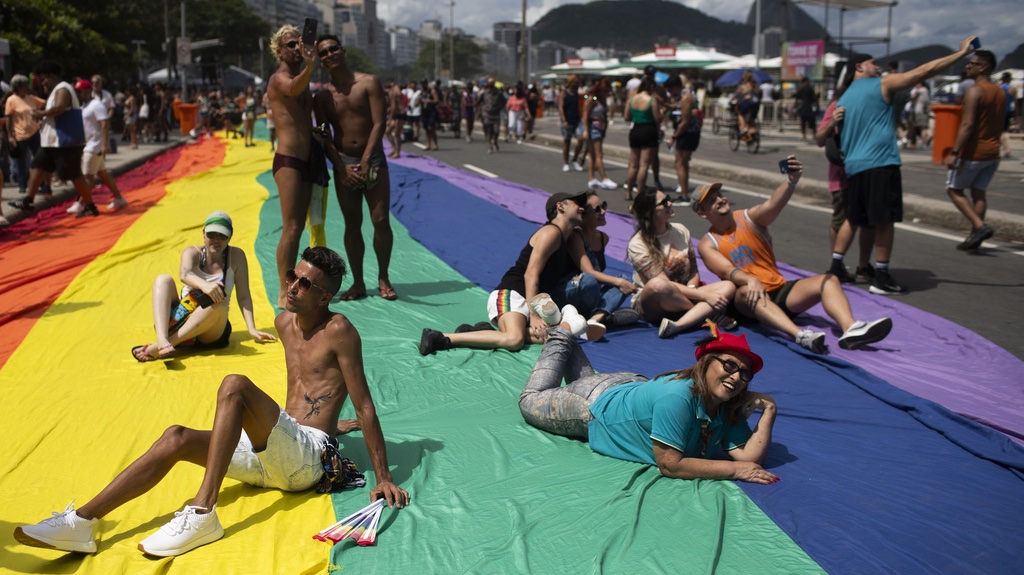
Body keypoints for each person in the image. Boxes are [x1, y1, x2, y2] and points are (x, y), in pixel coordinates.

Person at [16, 246, 409, 557]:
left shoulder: (339, 329)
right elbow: (307, 388)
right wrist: (324, 418)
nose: (292, 287)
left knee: (235, 385)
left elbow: (365, 407)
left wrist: (383, 476)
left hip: (306, 463)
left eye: (305, 285)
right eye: (293, 277)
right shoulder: (283, 322)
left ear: (325, 297)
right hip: (274, 454)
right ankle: (81, 523)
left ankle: (204, 512)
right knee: (176, 437)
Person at [519, 320, 781, 484]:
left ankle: (567, 326)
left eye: (744, 374)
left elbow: (750, 457)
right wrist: (733, 471)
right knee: (529, 402)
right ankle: (562, 332)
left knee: (584, 382)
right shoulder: (678, 397)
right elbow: (670, 464)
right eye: (729, 365)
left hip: (625, 387)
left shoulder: (725, 402)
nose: (736, 377)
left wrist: (769, 409)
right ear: (706, 363)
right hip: (591, 406)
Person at [694, 161, 893, 353]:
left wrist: (791, 180)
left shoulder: (749, 218)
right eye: (712, 201)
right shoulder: (708, 243)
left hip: (777, 290)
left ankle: (851, 329)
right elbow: (727, 271)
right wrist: (750, 279)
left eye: (719, 195)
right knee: (747, 291)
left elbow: (774, 204)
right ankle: (800, 335)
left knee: (828, 280)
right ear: (703, 214)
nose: (720, 200)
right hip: (745, 302)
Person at [837, 39, 974, 296]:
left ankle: (845, 266)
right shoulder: (881, 83)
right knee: (885, 220)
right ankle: (882, 276)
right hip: (880, 162)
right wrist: (961, 53)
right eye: (872, 63)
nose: (877, 66)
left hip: (854, 166)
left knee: (858, 219)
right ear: (859, 67)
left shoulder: (845, 96)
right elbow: (924, 72)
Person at [419, 192, 593, 355]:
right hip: (512, 294)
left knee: (555, 336)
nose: (582, 208)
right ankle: (442, 337)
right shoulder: (551, 232)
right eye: (577, 203)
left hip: (530, 301)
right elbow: (530, 274)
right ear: (561, 206)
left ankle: (483, 333)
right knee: (514, 339)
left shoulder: (566, 239)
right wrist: (533, 315)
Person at [313, 34, 396, 302]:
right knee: (353, 223)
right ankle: (359, 283)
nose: (329, 55)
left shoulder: (369, 82)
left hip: (372, 161)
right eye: (323, 52)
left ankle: (383, 277)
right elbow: (324, 137)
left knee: (380, 219)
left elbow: (378, 123)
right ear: (320, 60)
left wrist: (366, 159)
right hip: (344, 164)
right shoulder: (323, 97)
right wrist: (341, 167)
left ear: (343, 51)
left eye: (333, 49)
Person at [131, 211, 277, 361]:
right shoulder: (192, 252)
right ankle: (162, 339)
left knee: (219, 303)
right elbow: (184, 274)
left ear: (230, 236)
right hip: (185, 319)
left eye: (222, 236)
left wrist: (251, 329)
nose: (216, 240)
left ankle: (164, 345)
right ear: (203, 233)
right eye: (211, 235)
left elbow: (244, 295)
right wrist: (205, 285)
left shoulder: (237, 256)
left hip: (211, 330)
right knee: (163, 280)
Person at [628, 187, 737, 339]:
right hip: (656, 302)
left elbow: (693, 270)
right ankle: (705, 316)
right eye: (664, 202)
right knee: (658, 285)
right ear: (649, 213)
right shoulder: (637, 244)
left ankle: (680, 324)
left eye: (668, 198)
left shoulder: (681, 230)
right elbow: (665, 284)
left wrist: (694, 289)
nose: (670, 203)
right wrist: (704, 297)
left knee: (729, 285)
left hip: (687, 292)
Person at [6, 60, 99, 218]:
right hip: (52, 142)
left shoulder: (62, 88)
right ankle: (28, 199)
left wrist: (39, 114)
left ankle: (90, 206)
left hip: (64, 142)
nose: (42, 83)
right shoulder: (57, 90)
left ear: (52, 76)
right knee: (37, 165)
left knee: (74, 175)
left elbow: (59, 109)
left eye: (43, 79)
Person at [267, 24, 316, 309]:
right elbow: (294, 87)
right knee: (291, 227)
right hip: (288, 159)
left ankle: (295, 284)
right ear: (278, 50)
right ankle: (284, 290)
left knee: (300, 228)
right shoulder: (278, 79)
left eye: (299, 43)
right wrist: (311, 66)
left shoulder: (302, 77)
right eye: (290, 45)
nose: (296, 48)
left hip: (308, 158)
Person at [944, 50, 1005, 251]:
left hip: (974, 151)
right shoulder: (999, 91)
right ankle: (974, 237)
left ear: (984, 67)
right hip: (993, 151)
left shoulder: (974, 91)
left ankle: (979, 227)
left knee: (954, 190)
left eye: (972, 63)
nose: (968, 67)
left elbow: (967, 125)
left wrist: (954, 152)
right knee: (979, 193)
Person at [815, 90, 876, 283]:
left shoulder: (871, 102)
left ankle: (863, 266)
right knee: (842, 220)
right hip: (842, 175)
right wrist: (833, 122)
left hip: (866, 172)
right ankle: (837, 264)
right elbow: (820, 139)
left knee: (868, 222)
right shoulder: (837, 104)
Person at [567, 191, 638, 330]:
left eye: (604, 206)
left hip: (591, 294)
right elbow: (588, 272)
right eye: (597, 209)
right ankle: (604, 315)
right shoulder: (576, 236)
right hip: (573, 291)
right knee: (590, 280)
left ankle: (594, 319)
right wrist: (618, 282)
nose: (604, 211)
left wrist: (621, 282)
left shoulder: (603, 238)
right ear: (584, 214)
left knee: (624, 279)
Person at [70, 79, 128, 213]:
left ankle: (82, 204)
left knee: (87, 176)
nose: (79, 94)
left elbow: (104, 124)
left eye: (81, 92)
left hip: (94, 146)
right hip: (89, 144)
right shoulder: (84, 107)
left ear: (88, 91)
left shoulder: (97, 105)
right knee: (103, 174)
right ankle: (119, 198)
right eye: (77, 92)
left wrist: (104, 144)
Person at [4, 74, 44, 195]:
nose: (26, 87)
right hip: (20, 135)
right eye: (24, 85)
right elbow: (8, 120)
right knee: (21, 162)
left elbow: (45, 105)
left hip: (35, 133)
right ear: (17, 87)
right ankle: (22, 185)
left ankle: (41, 184)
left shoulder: (31, 98)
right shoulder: (11, 100)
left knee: (39, 160)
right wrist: (11, 136)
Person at [664, 75, 701, 204]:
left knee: (680, 163)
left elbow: (685, 121)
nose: (669, 93)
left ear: (676, 87)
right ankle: (684, 192)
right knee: (682, 163)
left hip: (687, 133)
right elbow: (677, 107)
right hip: (688, 133)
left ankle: (684, 194)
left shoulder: (686, 97)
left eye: (670, 90)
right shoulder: (684, 96)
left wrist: (673, 138)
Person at [623, 78, 662, 201]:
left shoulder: (632, 99)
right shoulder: (651, 100)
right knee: (644, 165)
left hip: (635, 129)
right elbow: (657, 118)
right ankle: (640, 193)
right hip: (648, 130)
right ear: (651, 88)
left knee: (633, 164)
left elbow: (626, 117)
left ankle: (628, 192)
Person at [583, 78, 616, 190]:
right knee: (598, 154)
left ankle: (591, 178)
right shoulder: (593, 98)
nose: (606, 93)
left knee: (592, 154)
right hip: (593, 127)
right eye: (605, 90)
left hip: (600, 127)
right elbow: (585, 114)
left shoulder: (602, 99)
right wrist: (586, 130)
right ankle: (604, 178)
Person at [557, 75, 585, 172]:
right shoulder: (563, 94)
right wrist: (564, 120)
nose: (577, 84)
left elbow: (586, 97)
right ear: (571, 82)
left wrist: (592, 97)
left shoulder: (576, 93)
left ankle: (574, 159)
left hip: (577, 120)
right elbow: (560, 107)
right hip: (567, 121)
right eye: (576, 82)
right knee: (567, 142)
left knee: (581, 138)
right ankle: (566, 163)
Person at [477, 78, 506, 154]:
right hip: (487, 114)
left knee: (496, 130)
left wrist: (499, 107)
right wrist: (481, 109)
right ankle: (490, 145)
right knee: (489, 130)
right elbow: (478, 102)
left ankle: (495, 141)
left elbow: (504, 102)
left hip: (496, 114)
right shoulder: (484, 93)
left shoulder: (498, 93)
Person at [998, 72, 1017, 158]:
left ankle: (1006, 148)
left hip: (999, 111)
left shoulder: (998, 88)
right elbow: (1015, 102)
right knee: (1004, 130)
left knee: (1000, 131)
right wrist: (1016, 114)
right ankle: (1004, 148)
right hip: (1009, 110)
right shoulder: (1012, 89)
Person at [385, 82, 406, 158]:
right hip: (397, 114)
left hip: (399, 114)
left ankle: (398, 152)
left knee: (397, 134)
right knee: (388, 131)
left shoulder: (392, 93)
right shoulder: (394, 92)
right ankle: (394, 149)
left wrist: (390, 119)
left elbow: (393, 107)